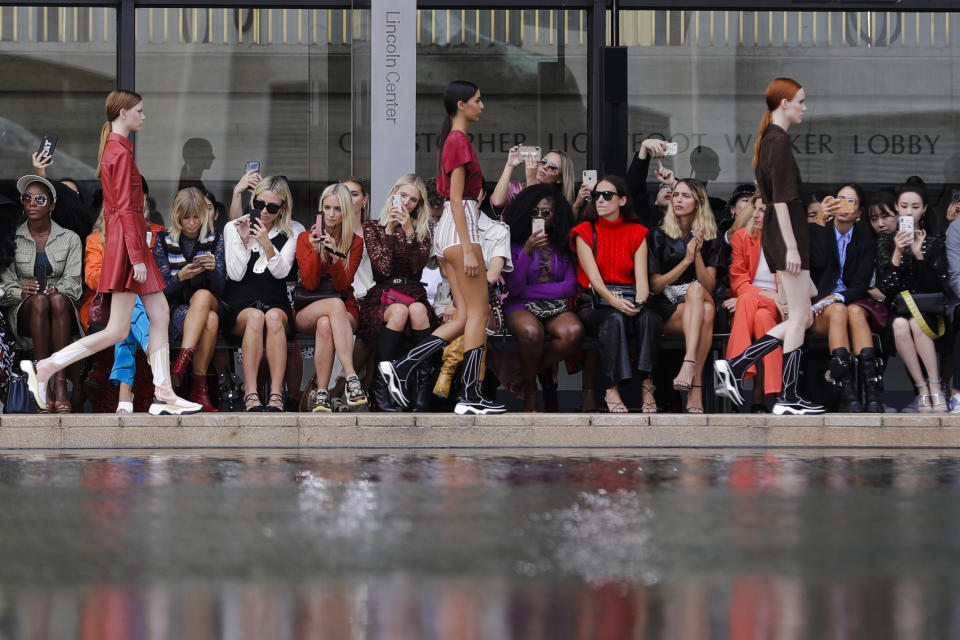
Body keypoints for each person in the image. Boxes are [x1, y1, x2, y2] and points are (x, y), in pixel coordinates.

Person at [19, 90, 201, 415]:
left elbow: (123, 212)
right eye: (140, 111)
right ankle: (45, 367)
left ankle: (163, 393)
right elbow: (125, 212)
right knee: (118, 329)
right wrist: (136, 256)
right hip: (129, 250)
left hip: (129, 248)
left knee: (157, 316)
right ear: (123, 113)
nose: (143, 116)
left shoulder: (116, 151)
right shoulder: (118, 154)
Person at [379, 80, 505, 415]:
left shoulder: (453, 140)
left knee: (465, 315)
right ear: (461, 105)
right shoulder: (457, 140)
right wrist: (467, 247)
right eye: (478, 100)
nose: (483, 105)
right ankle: (469, 394)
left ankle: (403, 366)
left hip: (450, 228)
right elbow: (456, 197)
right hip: (461, 226)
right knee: (479, 313)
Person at [715, 77, 825, 415]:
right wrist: (791, 248)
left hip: (787, 238)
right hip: (787, 239)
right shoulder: (777, 142)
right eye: (801, 101)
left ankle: (736, 367)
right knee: (799, 317)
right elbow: (779, 201)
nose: (804, 107)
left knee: (802, 316)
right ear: (785, 103)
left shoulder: (772, 140)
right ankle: (787, 397)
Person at [571, 175, 659, 413]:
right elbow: (594, 279)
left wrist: (639, 303)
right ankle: (611, 388)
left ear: (622, 200)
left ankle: (647, 385)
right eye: (597, 195)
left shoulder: (637, 231)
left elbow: (642, 280)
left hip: (629, 297)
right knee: (613, 318)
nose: (600, 200)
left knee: (649, 318)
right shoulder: (584, 230)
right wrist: (614, 302)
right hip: (595, 302)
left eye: (607, 195)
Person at [1, 175, 83, 413]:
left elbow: (74, 285)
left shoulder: (70, 239)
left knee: (55, 299)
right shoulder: (12, 238)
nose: (32, 203)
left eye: (39, 199)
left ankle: (59, 384)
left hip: (61, 309)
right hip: (26, 312)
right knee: (39, 301)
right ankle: (44, 383)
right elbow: (5, 288)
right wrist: (20, 290)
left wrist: (57, 289)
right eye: (26, 198)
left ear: (52, 206)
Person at [503, 184, 582, 412]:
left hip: (555, 307)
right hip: (519, 306)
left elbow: (569, 287)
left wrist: (531, 290)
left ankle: (525, 375)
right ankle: (530, 390)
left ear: (556, 216)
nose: (540, 216)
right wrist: (527, 252)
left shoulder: (562, 245)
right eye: (534, 212)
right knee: (531, 332)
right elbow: (515, 289)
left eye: (546, 212)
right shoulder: (516, 244)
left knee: (573, 332)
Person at [361, 175, 437, 412]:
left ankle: (423, 390)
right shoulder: (373, 226)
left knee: (416, 310)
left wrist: (409, 229)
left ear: (419, 204)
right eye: (403, 195)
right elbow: (382, 268)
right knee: (399, 312)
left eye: (413, 200)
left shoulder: (424, 228)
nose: (406, 203)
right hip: (384, 291)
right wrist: (393, 230)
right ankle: (380, 387)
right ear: (393, 192)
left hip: (413, 290)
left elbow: (416, 267)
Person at [224, 175, 297, 411]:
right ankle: (251, 392)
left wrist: (267, 244)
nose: (264, 211)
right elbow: (234, 275)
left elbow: (283, 273)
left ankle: (277, 394)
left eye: (272, 207)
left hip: (275, 300)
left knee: (273, 317)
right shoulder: (234, 226)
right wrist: (245, 243)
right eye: (259, 204)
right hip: (240, 303)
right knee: (255, 317)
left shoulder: (293, 230)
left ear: (283, 208)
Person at [647, 179, 720, 413]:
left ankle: (688, 364)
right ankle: (695, 387)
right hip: (668, 308)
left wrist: (697, 255)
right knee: (706, 313)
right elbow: (655, 285)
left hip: (698, 299)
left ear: (699, 202)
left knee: (698, 291)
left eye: (685, 196)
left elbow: (708, 285)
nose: (677, 200)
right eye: (675, 194)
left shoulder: (711, 236)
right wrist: (686, 260)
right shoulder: (658, 235)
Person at [877, 184, 950, 413]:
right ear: (897, 209)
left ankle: (935, 386)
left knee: (915, 324)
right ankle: (923, 390)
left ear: (924, 209)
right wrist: (898, 253)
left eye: (915, 207)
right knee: (900, 324)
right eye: (904, 206)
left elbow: (935, 287)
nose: (909, 212)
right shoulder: (886, 243)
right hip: (898, 311)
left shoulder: (935, 242)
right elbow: (886, 288)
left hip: (928, 313)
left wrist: (919, 254)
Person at [153, 187, 226, 412]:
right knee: (210, 320)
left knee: (203, 296)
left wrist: (214, 270)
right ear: (177, 216)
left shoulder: (215, 238)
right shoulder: (164, 240)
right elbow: (161, 292)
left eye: (196, 217)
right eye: (186, 217)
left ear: (204, 215)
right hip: (179, 310)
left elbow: (222, 289)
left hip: (213, 301)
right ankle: (199, 388)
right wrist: (180, 278)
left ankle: (181, 363)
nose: (192, 223)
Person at [809, 184, 879, 412]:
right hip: (821, 309)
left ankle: (871, 392)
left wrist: (836, 297)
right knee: (839, 311)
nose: (845, 205)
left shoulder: (866, 241)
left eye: (852, 201)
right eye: (841, 199)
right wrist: (820, 221)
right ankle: (848, 389)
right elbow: (817, 263)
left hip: (850, 302)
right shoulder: (818, 230)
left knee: (855, 311)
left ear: (859, 212)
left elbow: (860, 285)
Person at [296, 183, 366, 412]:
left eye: (337, 209)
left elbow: (343, 284)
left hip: (343, 308)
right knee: (333, 307)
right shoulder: (305, 238)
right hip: (308, 306)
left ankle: (322, 394)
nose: (331, 214)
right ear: (320, 209)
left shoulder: (355, 242)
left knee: (327, 322)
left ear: (345, 211)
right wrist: (316, 253)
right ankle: (351, 378)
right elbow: (309, 283)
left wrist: (335, 256)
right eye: (327, 208)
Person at [723, 196, 782, 410]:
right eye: (754, 209)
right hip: (755, 307)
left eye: (762, 210)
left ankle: (735, 369)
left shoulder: (786, 241)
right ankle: (776, 391)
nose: (755, 215)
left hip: (781, 305)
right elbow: (739, 281)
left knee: (747, 300)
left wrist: (775, 298)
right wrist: (768, 295)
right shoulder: (742, 237)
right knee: (761, 318)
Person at [491, 147, 575, 212]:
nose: (545, 167)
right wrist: (510, 165)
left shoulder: (556, 200)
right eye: (543, 161)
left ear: (560, 179)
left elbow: (531, 218)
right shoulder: (514, 187)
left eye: (552, 167)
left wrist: (531, 179)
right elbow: (497, 203)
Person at [624, 137, 678, 230]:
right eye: (664, 187)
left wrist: (673, 183)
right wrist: (644, 148)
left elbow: (698, 196)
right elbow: (634, 188)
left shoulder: (691, 220)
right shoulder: (648, 217)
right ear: (655, 201)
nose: (669, 191)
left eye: (674, 190)